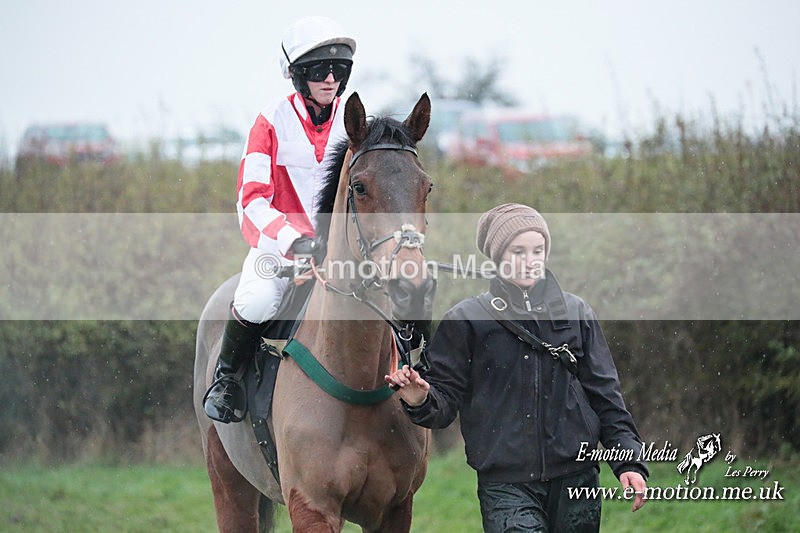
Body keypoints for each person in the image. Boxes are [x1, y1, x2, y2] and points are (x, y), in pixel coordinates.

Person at [385, 203, 649, 532]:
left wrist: (629, 462)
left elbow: (607, 399)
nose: (530, 260)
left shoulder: (576, 313)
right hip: (506, 486)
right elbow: (443, 406)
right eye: (518, 251)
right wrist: (420, 399)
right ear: (497, 256)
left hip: (577, 480)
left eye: (538, 250)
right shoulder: (465, 321)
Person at [203, 16, 356, 423]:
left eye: (339, 70)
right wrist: (294, 240)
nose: (330, 79)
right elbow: (251, 199)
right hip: (282, 249)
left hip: (339, 250)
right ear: (296, 75)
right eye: (319, 70)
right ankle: (227, 379)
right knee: (256, 300)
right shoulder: (270, 120)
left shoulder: (356, 120)